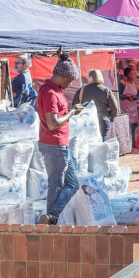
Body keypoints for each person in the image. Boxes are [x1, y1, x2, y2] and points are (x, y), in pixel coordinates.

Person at [36, 56, 89, 224]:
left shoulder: (55, 91)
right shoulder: (49, 93)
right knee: (56, 185)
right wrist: (72, 113)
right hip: (54, 145)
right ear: (63, 75)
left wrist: (72, 111)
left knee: (72, 184)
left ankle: (51, 216)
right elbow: (53, 124)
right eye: (70, 80)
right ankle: (50, 220)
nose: (71, 84)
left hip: (60, 144)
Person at [76, 69, 120, 139]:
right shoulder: (106, 90)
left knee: (87, 144)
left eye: (88, 76)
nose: (87, 78)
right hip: (103, 120)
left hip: (86, 121)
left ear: (91, 77)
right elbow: (115, 108)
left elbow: (75, 105)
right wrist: (110, 117)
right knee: (102, 143)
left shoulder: (82, 90)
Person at [118, 65, 139, 141]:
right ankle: (125, 141)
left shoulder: (137, 85)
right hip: (124, 108)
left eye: (133, 74)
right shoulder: (122, 83)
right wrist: (125, 97)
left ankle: (132, 141)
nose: (133, 76)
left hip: (133, 108)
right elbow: (118, 94)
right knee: (125, 125)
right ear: (126, 75)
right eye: (130, 74)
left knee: (133, 125)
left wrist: (134, 97)